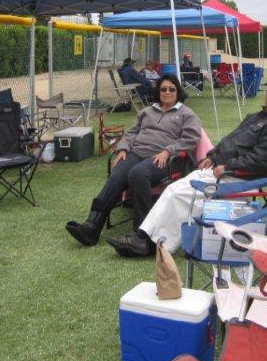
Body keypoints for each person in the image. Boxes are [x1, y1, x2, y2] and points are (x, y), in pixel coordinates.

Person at [107, 74, 267, 257]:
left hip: (240, 176)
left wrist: (228, 168)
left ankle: (153, 244)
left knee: (181, 195)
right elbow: (232, 141)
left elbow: (261, 160)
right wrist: (213, 157)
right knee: (174, 189)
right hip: (224, 169)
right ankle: (144, 236)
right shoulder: (259, 116)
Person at [65, 75, 202, 247]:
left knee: (138, 174)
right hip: (137, 153)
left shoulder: (186, 114)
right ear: (158, 92)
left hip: (163, 158)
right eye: (163, 89)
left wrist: (168, 150)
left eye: (171, 89)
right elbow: (132, 133)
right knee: (119, 172)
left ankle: (143, 236)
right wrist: (123, 149)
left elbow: (191, 139)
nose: (167, 92)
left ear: (178, 92)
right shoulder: (147, 111)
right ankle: (92, 225)